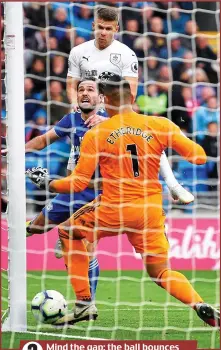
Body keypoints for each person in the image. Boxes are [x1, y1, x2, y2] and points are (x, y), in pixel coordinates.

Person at [27, 75, 219, 328]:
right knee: (160, 272)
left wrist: (47, 183)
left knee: (67, 232)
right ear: (132, 98)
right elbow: (200, 157)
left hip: (114, 207)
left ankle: (84, 303)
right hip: (150, 212)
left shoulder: (98, 133)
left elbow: (77, 184)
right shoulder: (159, 124)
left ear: (105, 100)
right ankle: (198, 303)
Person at [66, 5, 195, 205]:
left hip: (117, 113)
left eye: (108, 28)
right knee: (73, 170)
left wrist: (109, 115)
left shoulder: (126, 54)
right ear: (93, 26)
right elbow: (71, 84)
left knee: (146, 136)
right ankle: (64, 215)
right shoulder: (78, 52)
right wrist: (75, 103)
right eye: (100, 27)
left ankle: (173, 185)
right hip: (87, 114)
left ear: (116, 29)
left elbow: (131, 93)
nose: (103, 32)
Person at [25, 79, 106, 300]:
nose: (85, 93)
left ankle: (88, 302)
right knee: (35, 228)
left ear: (101, 98)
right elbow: (42, 140)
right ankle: (60, 229)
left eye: (90, 89)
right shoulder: (71, 120)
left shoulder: (111, 122)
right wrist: (16, 150)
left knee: (88, 248)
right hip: (73, 189)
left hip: (100, 194)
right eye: (81, 90)